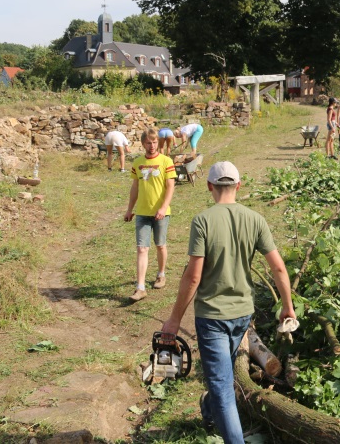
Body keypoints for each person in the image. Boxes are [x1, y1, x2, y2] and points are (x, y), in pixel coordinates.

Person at [161, 161, 296, 444]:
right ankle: (210, 409)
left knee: (221, 383)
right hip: (242, 315)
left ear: (210, 186)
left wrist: (173, 320)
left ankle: (222, 421)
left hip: (211, 317)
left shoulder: (203, 220)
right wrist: (287, 305)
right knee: (221, 378)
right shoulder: (256, 219)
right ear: (238, 185)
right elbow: (279, 269)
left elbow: (193, 276)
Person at [124, 128, 177, 302]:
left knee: (160, 245)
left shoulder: (166, 161)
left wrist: (163, 208)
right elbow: (135, 188)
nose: (152, 145)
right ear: (143, 143)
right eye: (148, 142)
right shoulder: (137, 163)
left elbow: (170, 186)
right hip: (142, 213)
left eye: (154, 142)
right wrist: (130, 209)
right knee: (142, 248)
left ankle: (161, 274)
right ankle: (140, 288)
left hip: (161, 212)